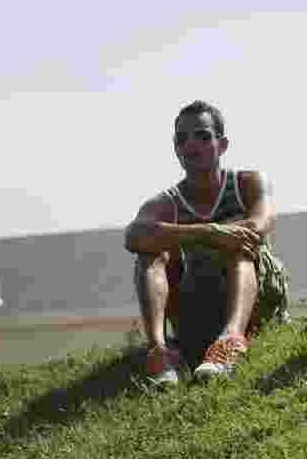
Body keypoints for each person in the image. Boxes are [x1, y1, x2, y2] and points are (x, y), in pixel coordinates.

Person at [124, 100, 290, 384]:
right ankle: (159, 353)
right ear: (176, 148)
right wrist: (210, 232)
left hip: (255, 303)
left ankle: (230, 342)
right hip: (198, 308)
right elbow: (134, 236)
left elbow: (259, 226)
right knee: (150, 252)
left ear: (222, 145)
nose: (191, 144)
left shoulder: (247, 183)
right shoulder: (168, 202)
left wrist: (215, 236)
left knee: (239, 246)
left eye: (202, 136)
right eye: (182, 138)